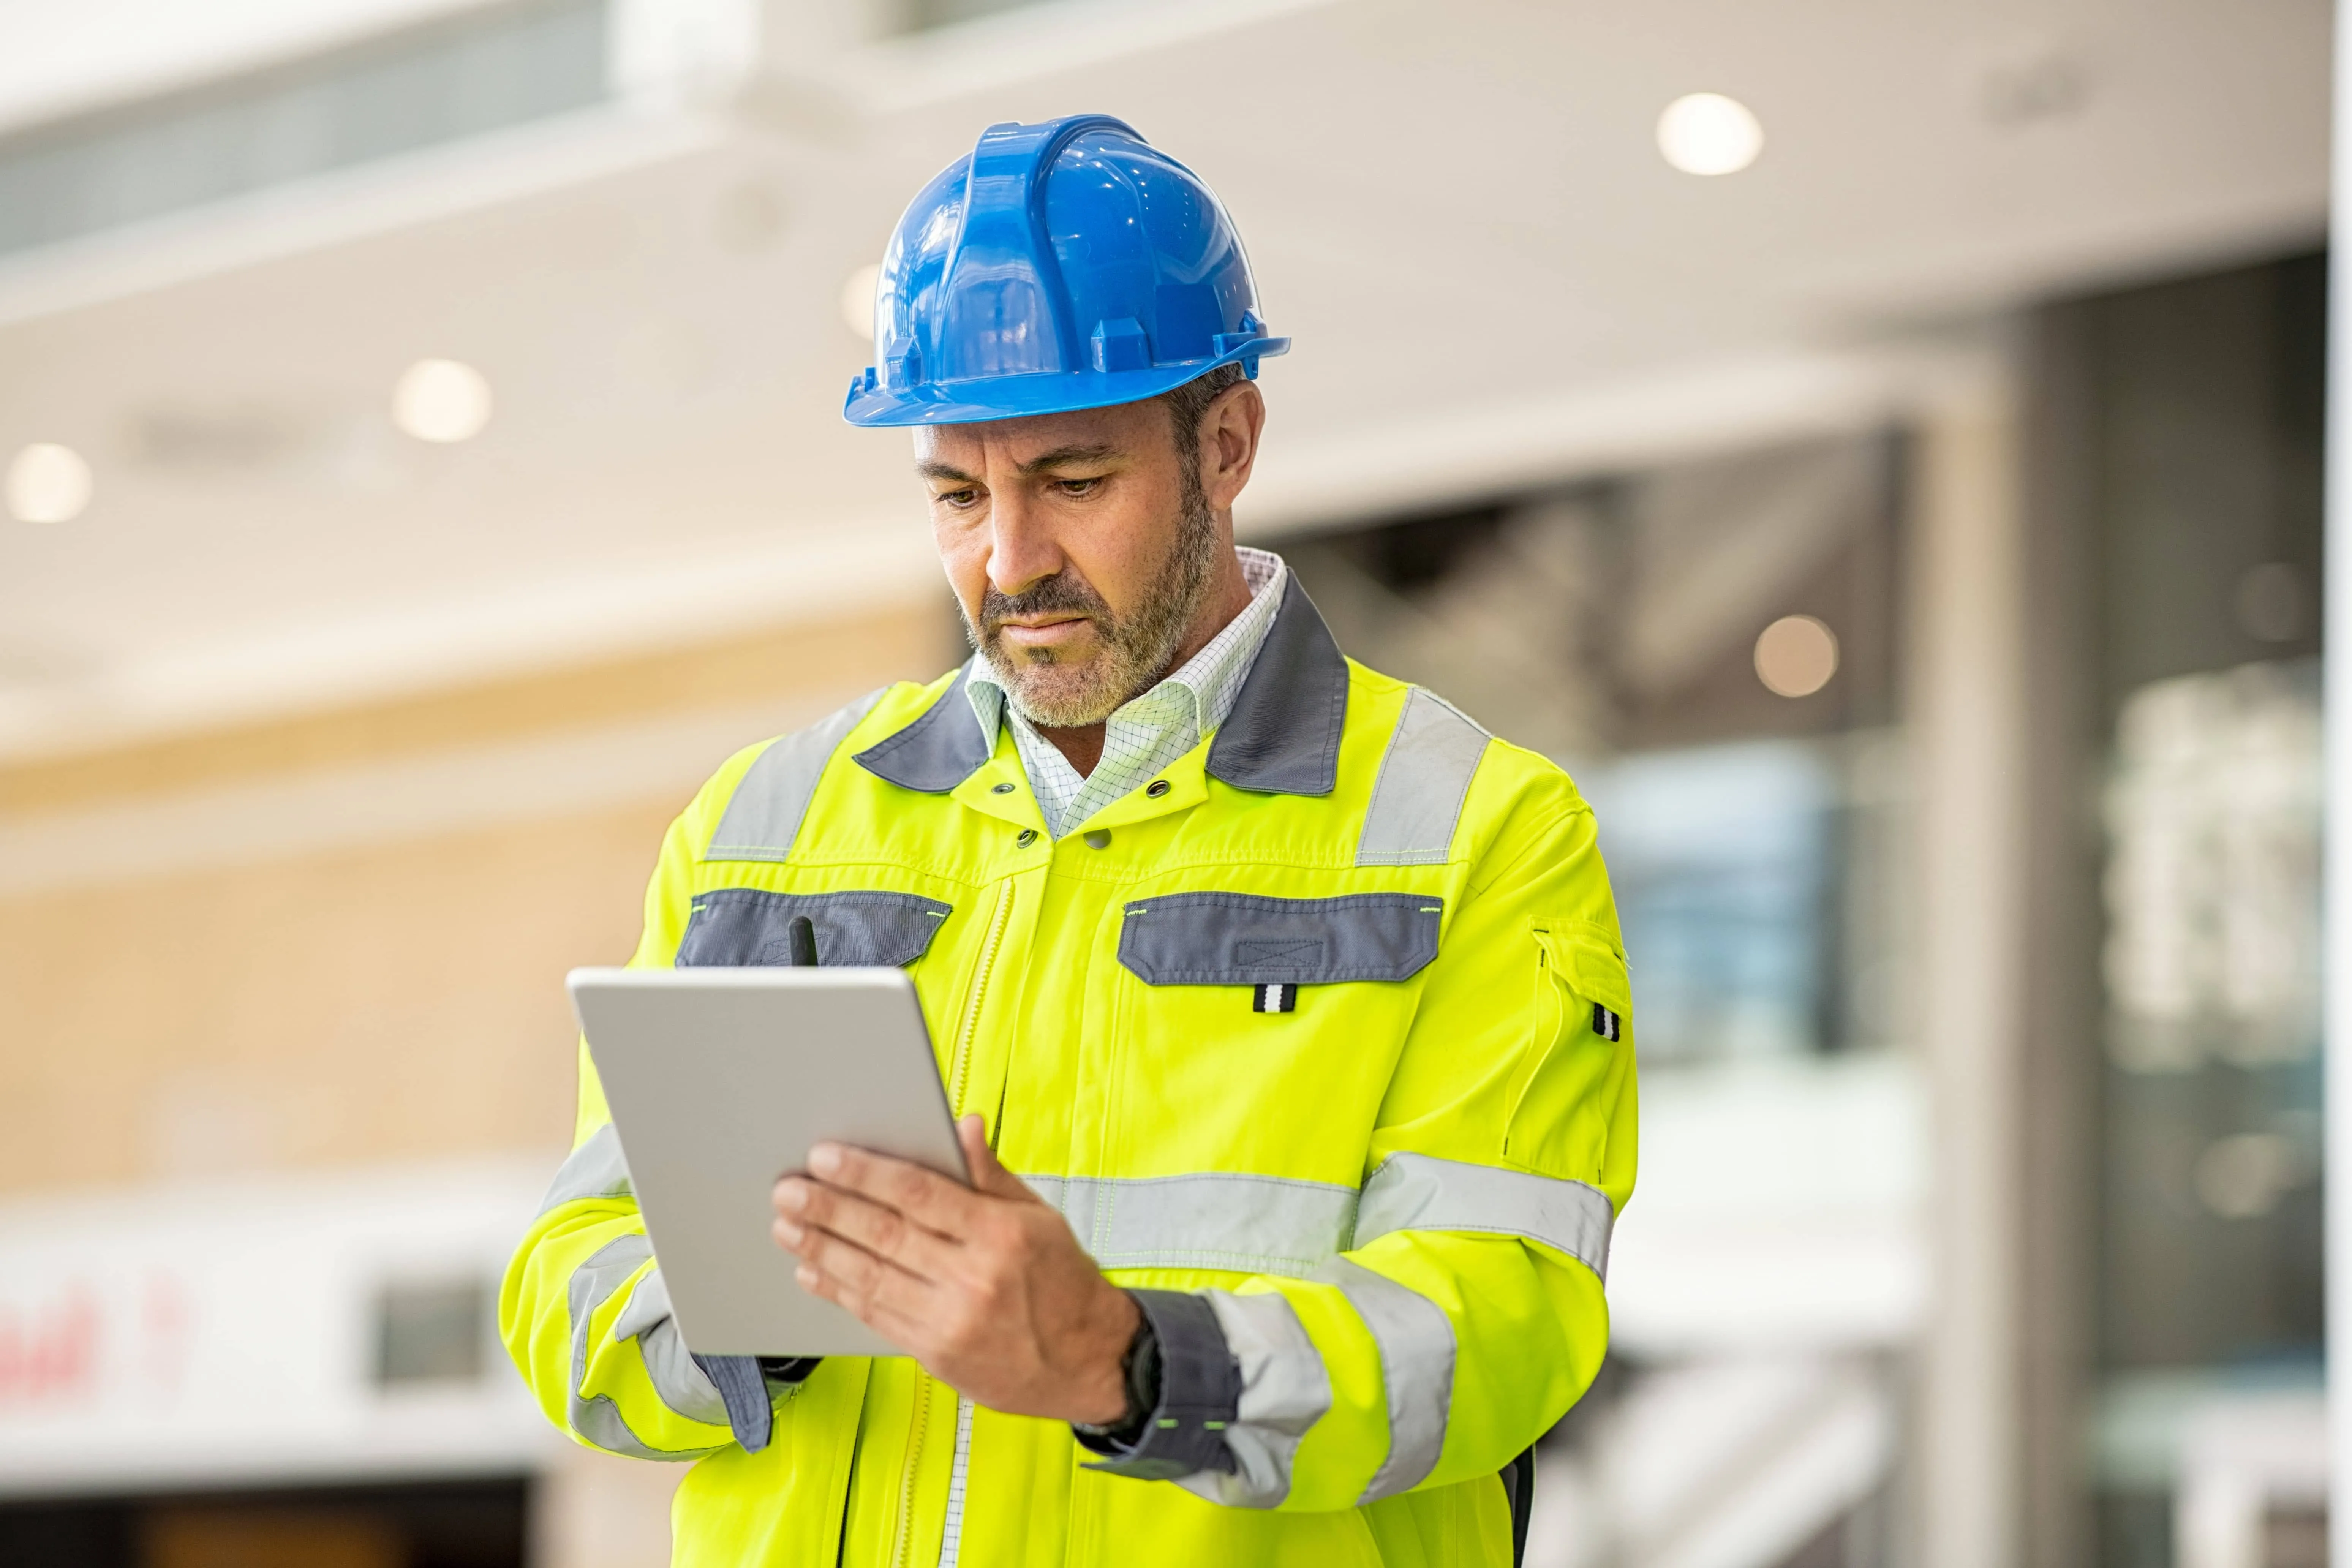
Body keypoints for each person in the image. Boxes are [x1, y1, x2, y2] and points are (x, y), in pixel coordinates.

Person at [501, 114, 1636, 1568]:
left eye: (1074, 481)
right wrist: (767, 1302)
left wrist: (1124, 1361)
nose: (1009, 559)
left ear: (1225, 445)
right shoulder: (758, 828)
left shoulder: (1478, 829)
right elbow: (569, 1290)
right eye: (958, 495)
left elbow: (1505, 1320)